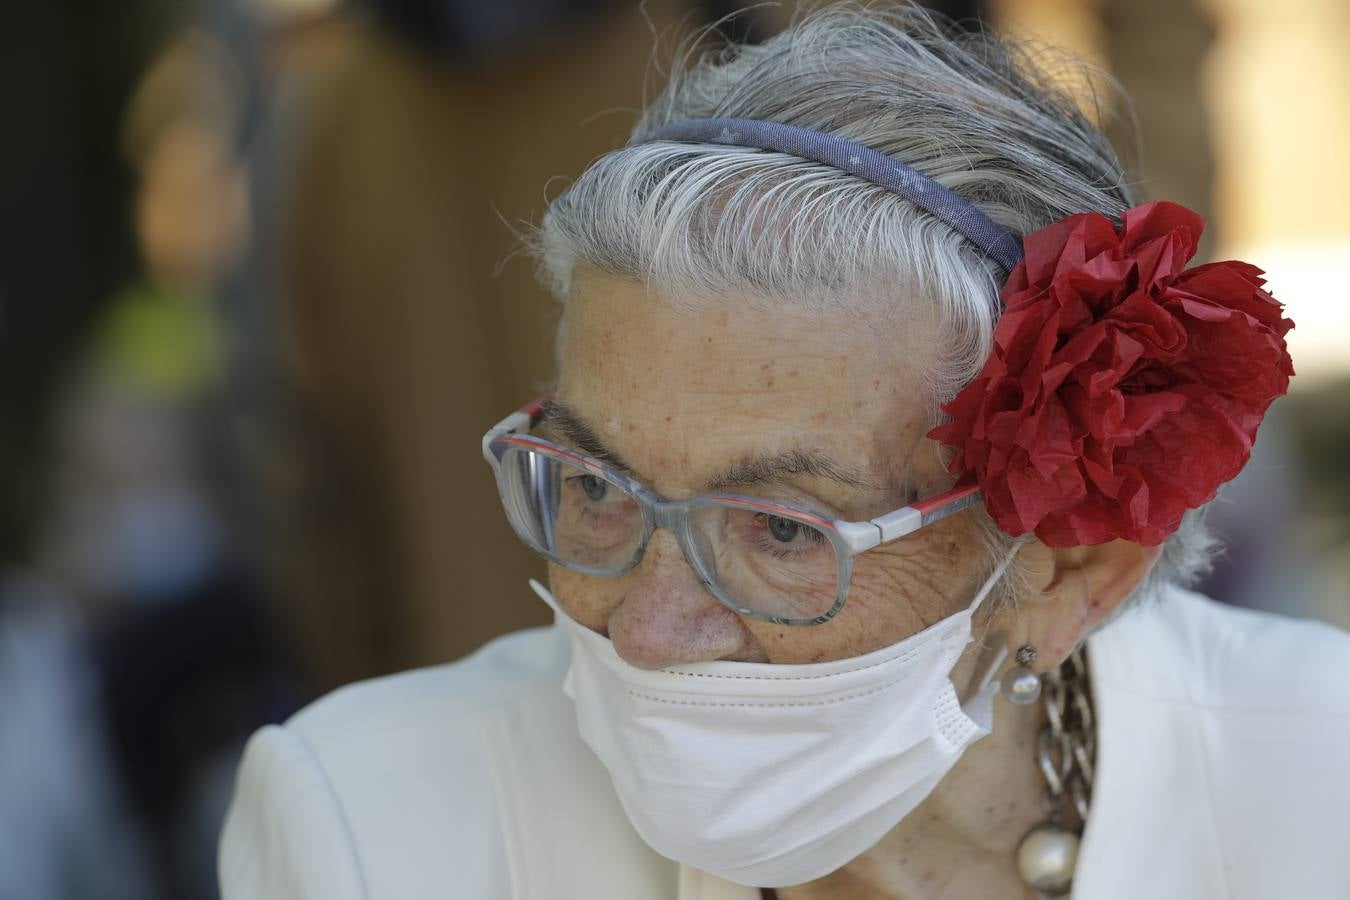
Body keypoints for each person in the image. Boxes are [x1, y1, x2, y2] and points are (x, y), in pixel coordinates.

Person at [219, 5, 1350, 898]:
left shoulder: (1317, 788)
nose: (649, 636)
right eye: (596, 487)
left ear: (1066, 570)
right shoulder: (366, 826)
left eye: (779, 530)